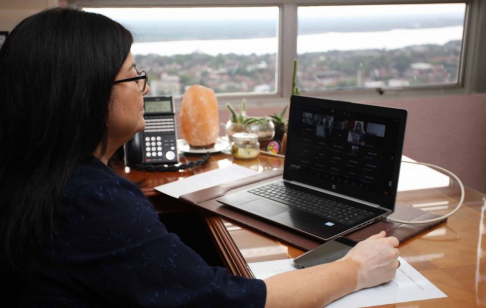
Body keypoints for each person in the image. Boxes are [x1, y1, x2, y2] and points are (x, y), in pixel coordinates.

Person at [0, 8, 400, 307]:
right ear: (85, 96)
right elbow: (226, 302)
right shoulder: (92, 200)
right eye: (134, 73)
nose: (144, 87)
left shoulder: (32, 173)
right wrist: (355, 270)